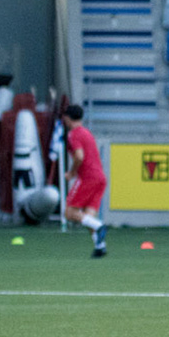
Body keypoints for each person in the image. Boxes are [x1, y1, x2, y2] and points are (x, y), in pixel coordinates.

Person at [60, 104, 108, 257]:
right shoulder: (87, 133)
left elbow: (79, 156)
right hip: (100, 178)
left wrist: (72, 173)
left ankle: (99, 227)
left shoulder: (73, 134)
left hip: (88, 177)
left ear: (67, 117)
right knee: (88, 216)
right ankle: (100, 246)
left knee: (69, 213)